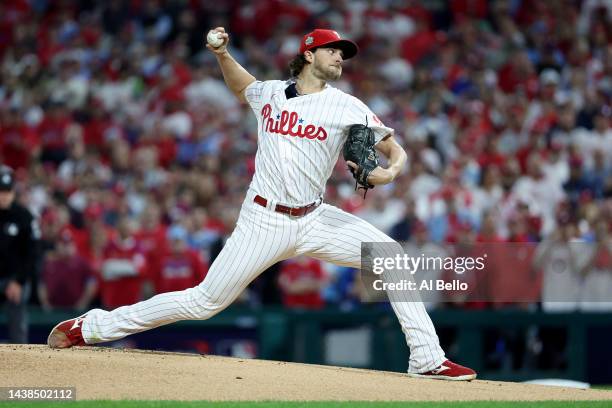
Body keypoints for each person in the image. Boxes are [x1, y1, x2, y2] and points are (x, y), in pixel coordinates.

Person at [47, 28, 476, 380]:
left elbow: (394, 151)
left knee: (391, 257)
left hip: (315, 217)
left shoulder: (347, 105)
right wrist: (222, 54)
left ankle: (426, 358)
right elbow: (244, 87)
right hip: (262, 221)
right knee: (203, 302)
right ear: (309, 55)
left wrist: (390, 171)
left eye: (343, 54)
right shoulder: (270, 94)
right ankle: (93, 326)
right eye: (333, 51)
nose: (341, 58)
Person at [0, 165, 40, 343]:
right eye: (1, 191)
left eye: (7, 191)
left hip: (15, 278)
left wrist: (18, 281)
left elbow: (32, 254)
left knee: (18, 323)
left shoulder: (24, 216)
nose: (4, 196)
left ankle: (19, 356)